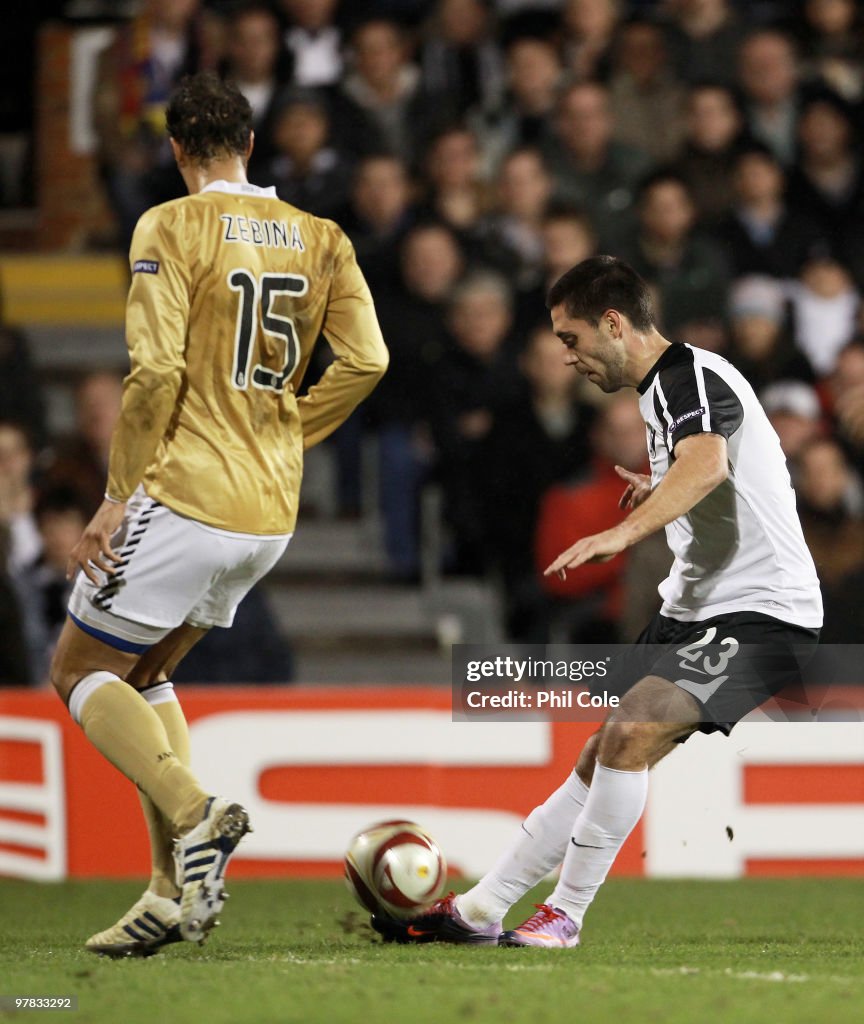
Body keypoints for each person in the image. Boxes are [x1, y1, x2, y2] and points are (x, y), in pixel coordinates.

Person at [375, 255, 821, 947]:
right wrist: (659, 488)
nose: (567, 357)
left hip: (765, 613)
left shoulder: (686, 376)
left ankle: (566, 914)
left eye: (572, 338)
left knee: (630, 731)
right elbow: (706, 469)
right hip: (696, 609)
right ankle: (480, 910)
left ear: (614, 324)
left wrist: (625, 529)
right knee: (601, 755)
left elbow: (708, 464)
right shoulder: (666, 391)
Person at [49, 72, 388, 958]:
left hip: (187, 492)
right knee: (148, 669)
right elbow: (369, 361)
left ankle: (197, 815)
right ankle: (169, 894)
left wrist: (116, 496)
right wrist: (285, 433)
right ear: (251, 144)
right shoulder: (322, 236)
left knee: (78, 670)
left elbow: (156, 373)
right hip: (269, 512)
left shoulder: (171, 223)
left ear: (176, 150)